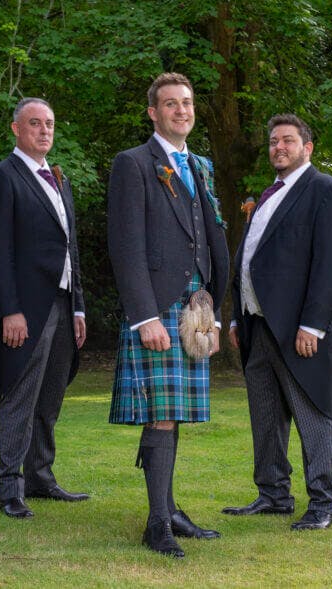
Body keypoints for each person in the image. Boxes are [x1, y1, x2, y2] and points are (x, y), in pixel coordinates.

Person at [107, 72, 230, 557]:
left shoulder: (199, 165)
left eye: (187, 103)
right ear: (153, 113)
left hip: (196, 307)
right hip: (159, 306)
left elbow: (212, 237)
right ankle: (157, 524)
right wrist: (145, 316)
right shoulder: (134, 163)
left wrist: (215, 316)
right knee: (161, 414)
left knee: (173, 414)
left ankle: (170, 509)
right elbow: (126, 246)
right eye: (171, 104)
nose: (182, 110)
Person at [222, 114, 332, 531]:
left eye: (288, 141)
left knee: (312, 413)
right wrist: (238, 315)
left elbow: (331, 263)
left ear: (307, 148)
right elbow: (249, 257)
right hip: (258, 326)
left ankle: (323, 503)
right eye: (274, 140)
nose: (279, 147)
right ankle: (274, 494)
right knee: (264, 414)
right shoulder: (266, 195)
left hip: (298, 328)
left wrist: (313, 324)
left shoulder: (325, 191)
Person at [0, 97, 88, 519]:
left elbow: (69, 248)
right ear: (16, 129)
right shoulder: (2, 177)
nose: (45, 131)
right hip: (26, 309)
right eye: (35, 124)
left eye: (50, 124)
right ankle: (10, 487)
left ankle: (40, 477)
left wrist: (78, 306)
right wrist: (10, 310)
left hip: (63, 304)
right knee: (19, 396)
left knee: (50, 397)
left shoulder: (59, 179)